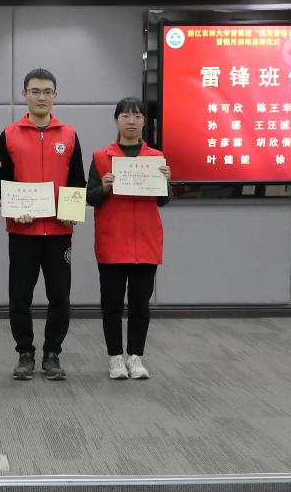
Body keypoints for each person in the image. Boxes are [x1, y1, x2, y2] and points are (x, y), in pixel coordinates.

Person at [0, 68, 85, 381]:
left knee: (59, 295)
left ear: (55, 95)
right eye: (35, 91)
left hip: (59, 232)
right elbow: (3, 181)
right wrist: (14, 209)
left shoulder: (69, 135)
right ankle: (25, 352)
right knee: (19, 296)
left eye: (47, 91)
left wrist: (71, 210)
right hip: (23, 231)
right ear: (24, 95)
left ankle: (52, 354)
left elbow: (78, 180)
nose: (41, 97)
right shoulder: (9, 134)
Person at [86, 97, 171, 380]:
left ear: (145, 121)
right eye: (125, 116)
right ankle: (115, 358)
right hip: (112, 241)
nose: (131, 121)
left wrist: (166, 181)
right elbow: (89, 197)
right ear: (116, 120)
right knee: (111, 304)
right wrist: (104, 187)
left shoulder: (155, 158)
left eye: (137, 116)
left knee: (140, 305)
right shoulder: (101, 156)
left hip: (145, 241)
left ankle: (136, 357)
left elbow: (163, 201)